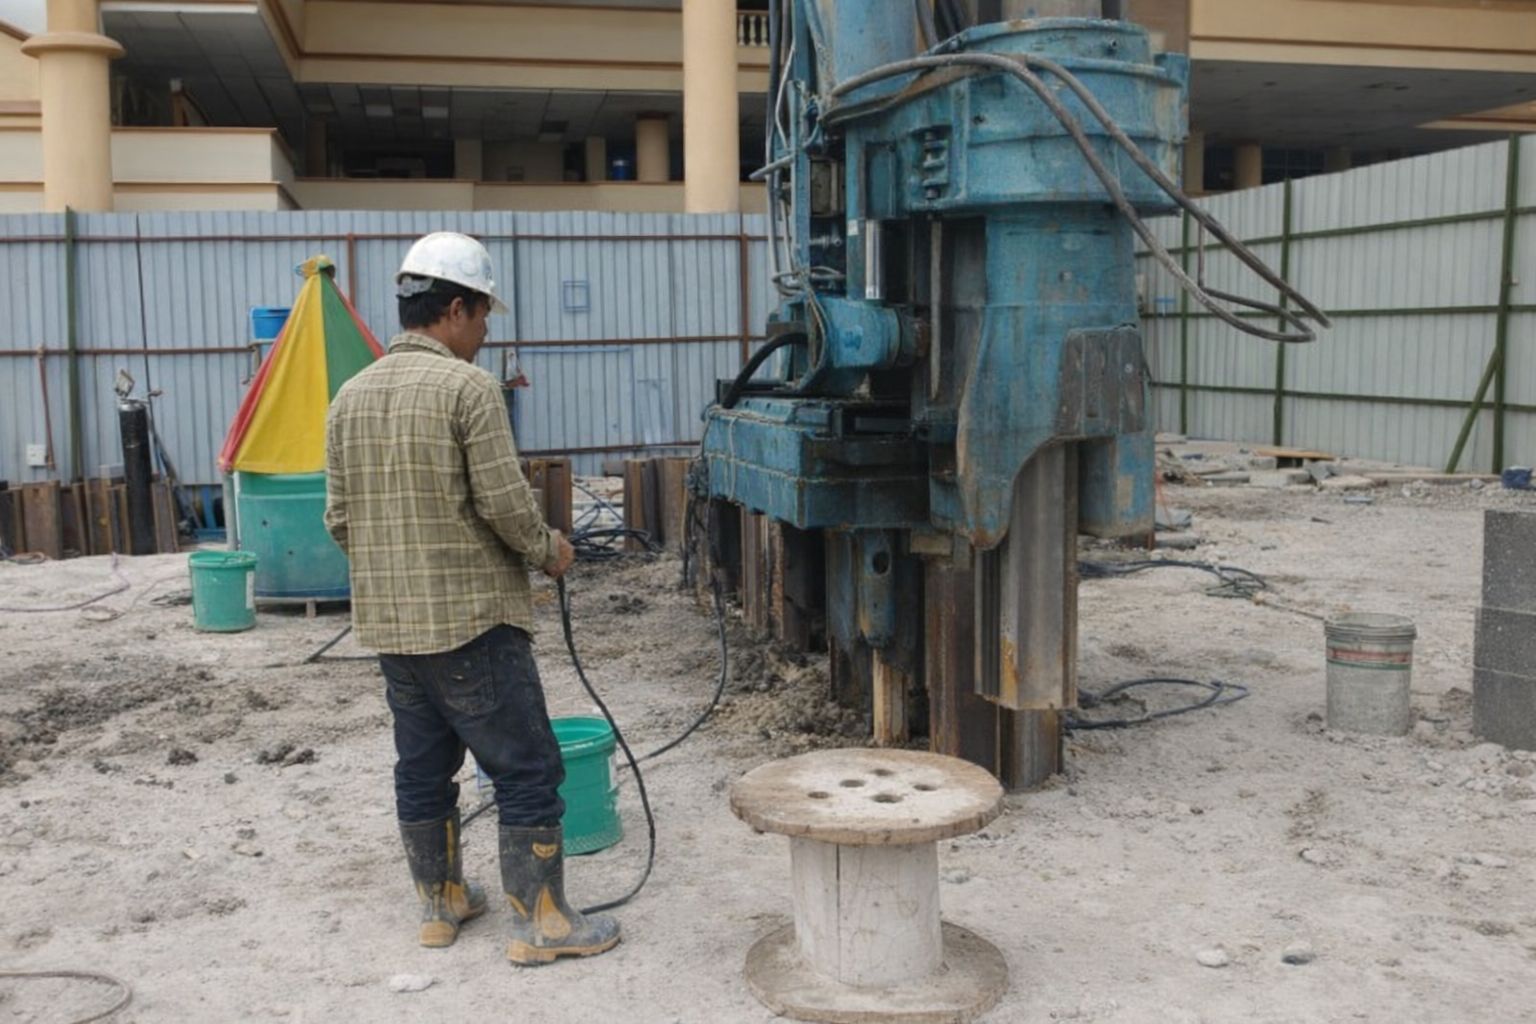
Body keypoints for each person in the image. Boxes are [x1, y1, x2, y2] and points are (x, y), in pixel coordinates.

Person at [323, 231, 620, 966]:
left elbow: (337, 518)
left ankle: (440, 902)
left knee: (422, 768)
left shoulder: (350, 396)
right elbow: (503, 503)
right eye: (484, 316)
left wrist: (394, 575)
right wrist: (550, 549)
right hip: (472, 624)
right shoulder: (467, 389)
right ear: (455, 309)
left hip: (392, 631)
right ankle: (542, 924)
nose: (486, 332)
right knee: (526, 767)